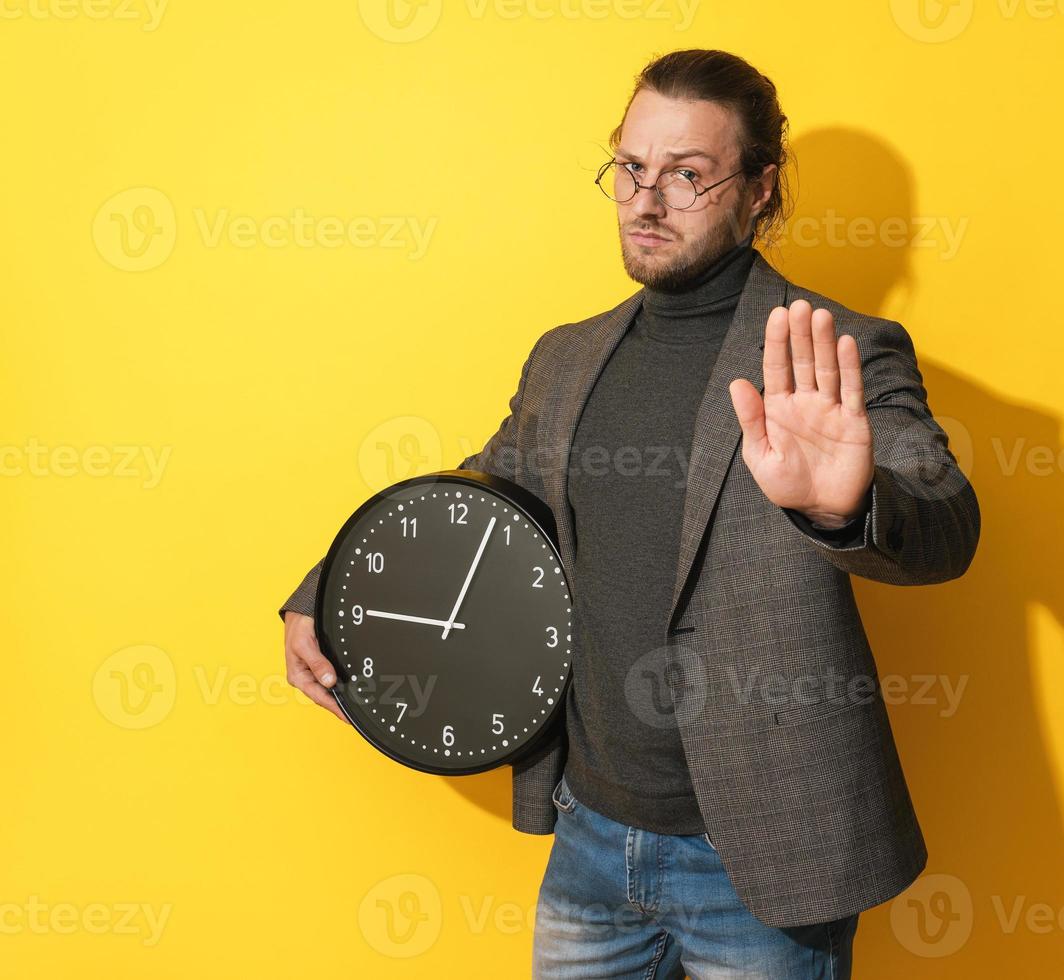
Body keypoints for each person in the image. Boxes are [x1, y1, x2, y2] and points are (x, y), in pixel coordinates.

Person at [279, 48, 980, 979]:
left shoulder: (840, 351)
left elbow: (946, 524)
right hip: (591, 838)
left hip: (763, 856)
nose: (647, 202)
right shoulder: (568, 357)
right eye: (632, 169)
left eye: (688, 176)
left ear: (760, 190)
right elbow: (485, 493)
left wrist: (849, 505)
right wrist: (325, 592)